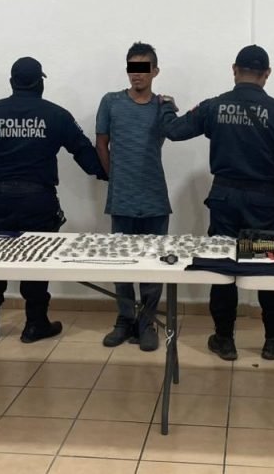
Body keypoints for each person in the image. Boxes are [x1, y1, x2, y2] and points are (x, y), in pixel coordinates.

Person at [161, 45, 274, 361]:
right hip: (265, 206)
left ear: (234, 69)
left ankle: (223, 339)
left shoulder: (214, 107)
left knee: (223, 266)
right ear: (267, 74)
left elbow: (174, 131)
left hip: (225, 202)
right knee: (268, 267)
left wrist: (166, 108)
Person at [0, 57, 108, 342]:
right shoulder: (56, 114)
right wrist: (107, 174)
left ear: (12, 82)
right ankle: (35, 324)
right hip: (39, 200)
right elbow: (82, 150)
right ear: (40, 83)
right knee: (36, 260)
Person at [95, 42, 172, 352]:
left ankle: (147, 321)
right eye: (132, 68)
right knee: (122, 261)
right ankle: (125, 319)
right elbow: (101, 144)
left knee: (153, 262)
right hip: (122, 196)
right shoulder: (111, 102)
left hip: (154, 196)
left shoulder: (163, 105)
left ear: (155, 71)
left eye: (143, 68)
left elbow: (164, 138)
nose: (136, 75)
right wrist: (115, 176)